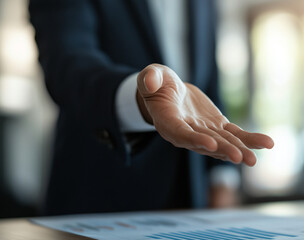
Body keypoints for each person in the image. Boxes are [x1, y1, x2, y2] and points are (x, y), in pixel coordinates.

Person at [29, 0, 274, 215]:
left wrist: (222, 178)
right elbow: (68, 66)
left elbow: (209, 82)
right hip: (98, 201)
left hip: (192, 208)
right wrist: (142, 98)